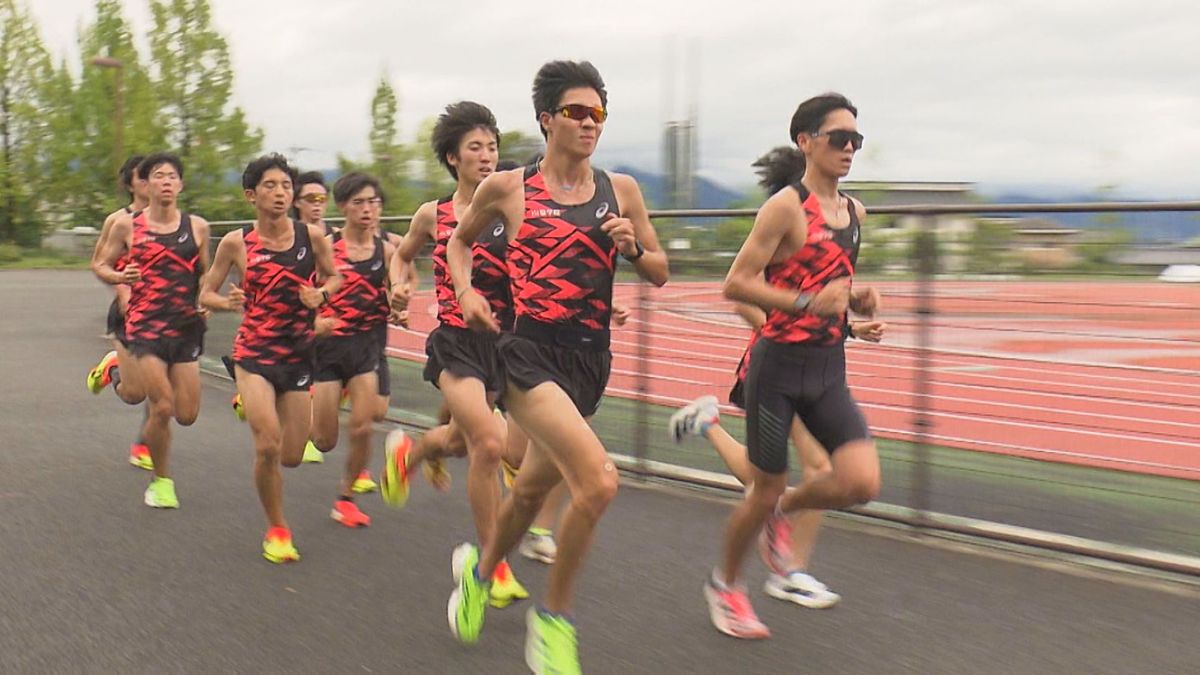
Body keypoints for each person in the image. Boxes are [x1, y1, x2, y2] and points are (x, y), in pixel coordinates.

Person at [445, 61, 668, 674]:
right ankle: (553, 618)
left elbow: (659, 271)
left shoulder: (621, 190)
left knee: (528, 496)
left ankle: (479, 573)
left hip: (589, 359)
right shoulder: (510, 189)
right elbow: (459, 242)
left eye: (598, 113)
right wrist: (466, 293)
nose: (589, 123)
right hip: (527, 353)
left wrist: (635, 247)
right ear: (546, 119)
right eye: (577, 112)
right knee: (597, 481)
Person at [707, 93, 881, 639]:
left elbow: (832, 282)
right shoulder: (785, 207)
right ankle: (726, 585)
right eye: (839, 138)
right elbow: (737, 284)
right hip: (778, 369)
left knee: (860, 483)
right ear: (805, 142)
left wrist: (857, 301)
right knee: (760, 490)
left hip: (828, 367)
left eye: (856, 139)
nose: (849, 148)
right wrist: (809, 304)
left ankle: (784, 510)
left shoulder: (855, 212)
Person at [382, 100, 529, 608]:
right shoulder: (434, 215)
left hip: (510, 345)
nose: (487, 156)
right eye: (475, 148)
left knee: (484, 447)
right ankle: (494, 563)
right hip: (456, 343)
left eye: (492, 147)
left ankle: (416, 451)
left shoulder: (517, 206)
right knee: (487, 444)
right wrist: (399, 290)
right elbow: (401, 258)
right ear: (453, 159)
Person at [200, 153, 341, 563]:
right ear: (251, 195)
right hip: (254, 352)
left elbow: (335, 275)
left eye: (285, 186)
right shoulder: (235, 243)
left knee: (292, 455)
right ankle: (277, 530)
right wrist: (225, 303)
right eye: (270, 186)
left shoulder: (311, 237)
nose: (280, 193)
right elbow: (206, 293)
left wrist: (323, 295)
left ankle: (254, 405)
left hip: (298, 353)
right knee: (267, 445)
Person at [93, 153, 212, 509]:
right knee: (160, 405)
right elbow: (99, 262)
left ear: (180, 184)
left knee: (186, 413)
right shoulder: (125, 225)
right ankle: (161, 480)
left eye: (171, 176)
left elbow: (205, 272)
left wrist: (205, 298)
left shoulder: (198, 227)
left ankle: (114, 366)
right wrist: (119, 278)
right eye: (157, 175)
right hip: (145, 326)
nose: (164, 181)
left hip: (186, 327)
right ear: (142, 183)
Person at [309, 171, 398, 528]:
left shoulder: (387, 250)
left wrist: (400, 304)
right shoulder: (325, 248)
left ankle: (345, 498)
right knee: (325, 439)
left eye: (373, 202)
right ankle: (310, 404)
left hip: (366, 347)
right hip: (328, 348)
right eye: (359, 202)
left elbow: (396, 294)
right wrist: (313, 319)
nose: (368, 209)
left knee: (364, 425)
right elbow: (302, 293)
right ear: (343, 206)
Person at [86, 154, 153, 470]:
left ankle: (144, 443)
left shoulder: (176, 222)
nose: (150, 182)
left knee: (161, 384)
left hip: (165, 313)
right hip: (129, 312)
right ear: (131, 184)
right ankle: (113, 369)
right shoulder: (118, 221)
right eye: (143, 177)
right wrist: (122, 289)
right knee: (134, 393)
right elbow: (99, 264)